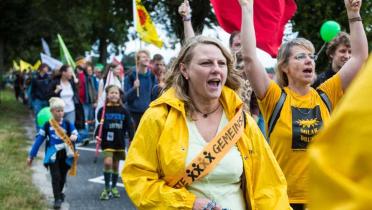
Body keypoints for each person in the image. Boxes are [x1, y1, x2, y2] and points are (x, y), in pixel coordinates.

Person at [122, 36, 290, 210]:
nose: (216, 69)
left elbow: (269, 187)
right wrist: (187, 203)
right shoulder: (158, 117)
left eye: (221, 63)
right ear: (185, 70)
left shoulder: (241, 120)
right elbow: (137, 178)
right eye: (206, 63)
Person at [239, 0, 368, 209]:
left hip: (323, 199)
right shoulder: (274, 97)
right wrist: (247, 9)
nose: (309, 60)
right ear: (285, 67)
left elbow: (360, 57)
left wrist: (353, 14)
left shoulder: (326, 94)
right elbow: (250, 58)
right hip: (282, 200)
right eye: (300, 57)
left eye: (310, 56)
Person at [27, 97, 79, 209]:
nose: (60, 113)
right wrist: (31, 155)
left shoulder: (67, 123)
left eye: (62, 110)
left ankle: (59, 193)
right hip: (52, 154)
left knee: (62, 176)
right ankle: (57, 199)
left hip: (66, 154)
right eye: (57, 110)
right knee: (55, 176)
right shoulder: (47, 125)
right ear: (52, 111)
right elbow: (38, 141)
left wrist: (75, 136)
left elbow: (75, 132)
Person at [95, 85, 134, 200]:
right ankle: (106, 188)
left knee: (116, 165)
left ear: (119, 95)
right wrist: (98, 136)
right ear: (107, 95)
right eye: (111, 93)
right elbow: (100, 125)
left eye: (116, 93)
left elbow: (130, 126)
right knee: (108, 162)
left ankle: (114, 187)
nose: (114, 95)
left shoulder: (124, 111)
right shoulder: (103, 110)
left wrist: (132, 138)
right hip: (107, 142)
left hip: (119, 141)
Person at [124, 49, 158, 130]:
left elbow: (155, 96)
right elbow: (125, 98)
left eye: (147, 57)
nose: (146, 59)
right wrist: (134, 88)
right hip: (133, 113)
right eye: (143, 57)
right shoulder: (130, 75)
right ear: (137, 60)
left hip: (148, 113)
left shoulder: (152, 76)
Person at [30, 64, 52, 130]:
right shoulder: (35, 78)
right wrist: (33, 100)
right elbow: (32, 89)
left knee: (47, 116)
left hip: (46, 100)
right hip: (38, 100)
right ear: (42, 68)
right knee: (38, 115)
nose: (47, 69)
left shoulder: (48, 78)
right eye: (46, 68)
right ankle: (39, 131)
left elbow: (50, 88)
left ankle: (46, 130)